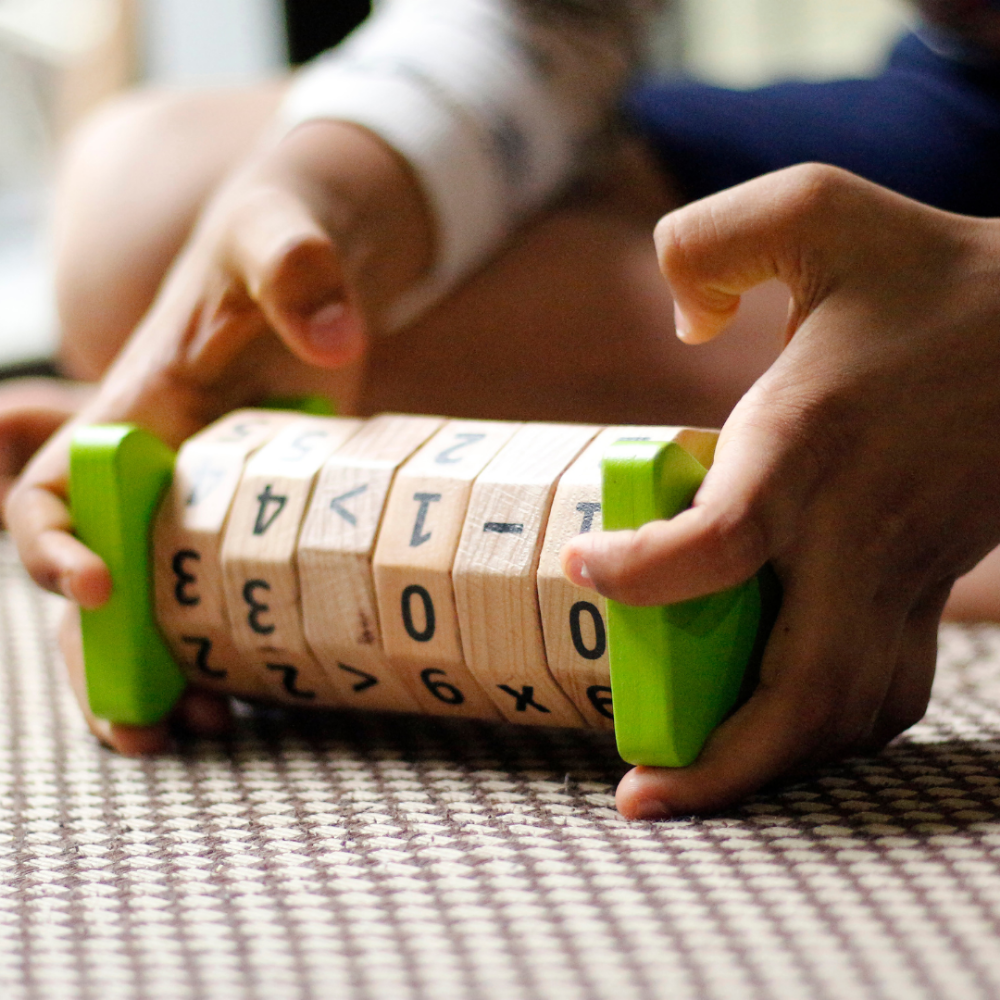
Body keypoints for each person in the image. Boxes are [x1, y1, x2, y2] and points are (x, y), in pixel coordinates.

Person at [6, 0, 1000, 819]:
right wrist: (328, 209)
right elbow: (548, 15)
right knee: (139, 192)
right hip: (964, 91)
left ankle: (858, 472)